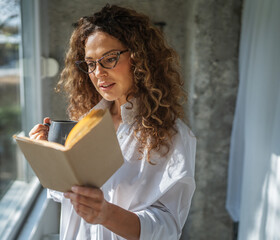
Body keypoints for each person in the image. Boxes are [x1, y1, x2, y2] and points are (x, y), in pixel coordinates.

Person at [29, 4, 196, 240]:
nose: (98, 73)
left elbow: (168, 228)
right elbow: (64, 195)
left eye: (109, 59)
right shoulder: (85, 124)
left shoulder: (173, 135)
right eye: (90, 63)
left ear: (139, 58)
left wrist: (106, 214)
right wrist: (48, 157)